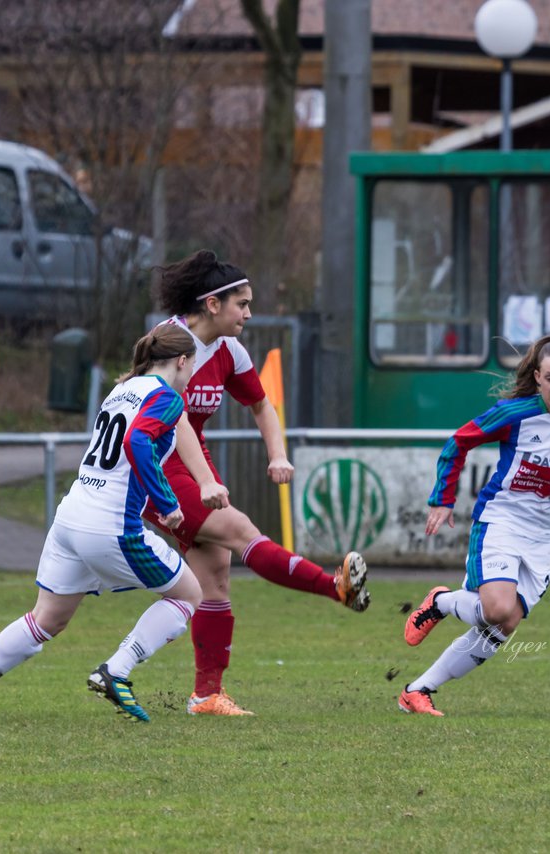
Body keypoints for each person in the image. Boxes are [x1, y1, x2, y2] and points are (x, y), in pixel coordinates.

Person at [0, 325, 204, 724]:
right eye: (192, 367)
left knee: (47, 619)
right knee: (188, 595)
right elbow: (137, 442)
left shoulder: (122, 389)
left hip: (71, 516)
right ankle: (116, 671)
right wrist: (167, 503)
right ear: (182, 361)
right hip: (110, 524)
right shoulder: (167, 397)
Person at [143, 249, 369, 717]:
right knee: (241, 531)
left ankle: (206, 695)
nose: (248, 313)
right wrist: (205, 481)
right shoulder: (169, 343)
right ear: (212, 304)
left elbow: (262, 406)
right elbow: (171, 419)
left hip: (191, 461)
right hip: (156, 464)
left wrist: (278, 455)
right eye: (240, 304)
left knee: (215, 580)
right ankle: (335, 588)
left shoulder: (230, 351)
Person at [398, 335, 550, 717]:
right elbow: (459, 442)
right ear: (537, 376)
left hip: (541, 536)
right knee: (498, 607)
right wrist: (443, 498)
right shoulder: (516, 413)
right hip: (500, 520)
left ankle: (417, 690)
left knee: (505, 624)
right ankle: (441, 602)